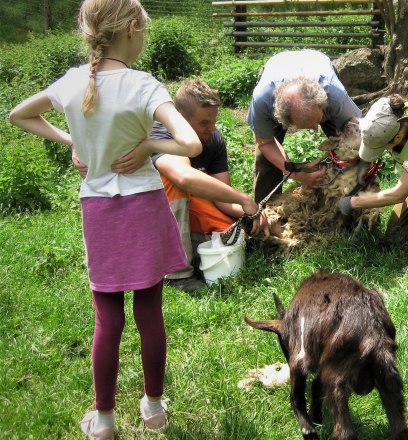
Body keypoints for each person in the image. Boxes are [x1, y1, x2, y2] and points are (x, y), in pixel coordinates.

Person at [8, 0, 201, 437]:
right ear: (132, 28)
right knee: (150, 310)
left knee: (107, 317)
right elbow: (190, 145)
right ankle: (154, 410)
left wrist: (71, 141)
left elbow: (18, 114)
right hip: (144, 204)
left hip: (99, 210)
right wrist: (151, 146)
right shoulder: (143, 84)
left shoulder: (74, 81)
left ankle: (104, 422)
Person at [149, 79, 269, 292]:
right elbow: (184, 177)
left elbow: (222, 197)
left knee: (234, 232)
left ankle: (192, 251)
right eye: (204, 123)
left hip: (186, 211)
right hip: (149, 217)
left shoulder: (213, 140)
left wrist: (250, 212)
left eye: (213, 121)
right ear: (180, 119)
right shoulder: (161, 134)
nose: (211, 128)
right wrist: (244, 199)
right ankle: (177, 274)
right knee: (172, 182)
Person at [246, 49, 363, 202]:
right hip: (276, 69)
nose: (315, 129)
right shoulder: (263, 100)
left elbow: (358, 132)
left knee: (347, 147)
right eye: (306, 125)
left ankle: (354, 203)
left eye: (317, 120)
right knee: (266, 160)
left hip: (317, 64)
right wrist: (296, 173)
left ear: (323, 105)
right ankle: (265, 213)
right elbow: (265, 142)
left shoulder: (335, 95)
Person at [336, 94, 408, 240]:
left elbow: (398, 194)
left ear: (397, 138)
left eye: (382, 147)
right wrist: (364, 165)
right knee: (395, 233)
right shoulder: (387, 109)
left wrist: (351, 202)